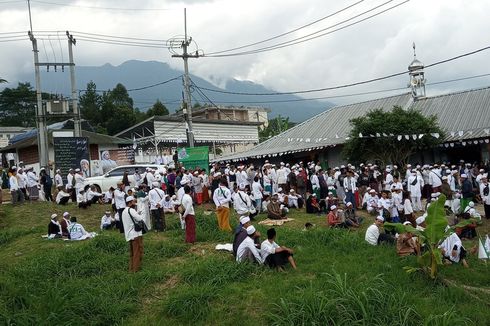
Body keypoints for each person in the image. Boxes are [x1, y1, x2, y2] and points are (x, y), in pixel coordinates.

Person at [122, 196, 145, 272]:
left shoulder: (124, 211)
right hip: (135, 234)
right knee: (137, 252)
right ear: (130, 203)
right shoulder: (131, 210)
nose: (134, 203)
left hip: (128, 235)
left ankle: (131, 268)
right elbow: (140, 218)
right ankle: (136, 269)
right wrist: (139, 213)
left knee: (132, 253)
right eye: (133, 202)